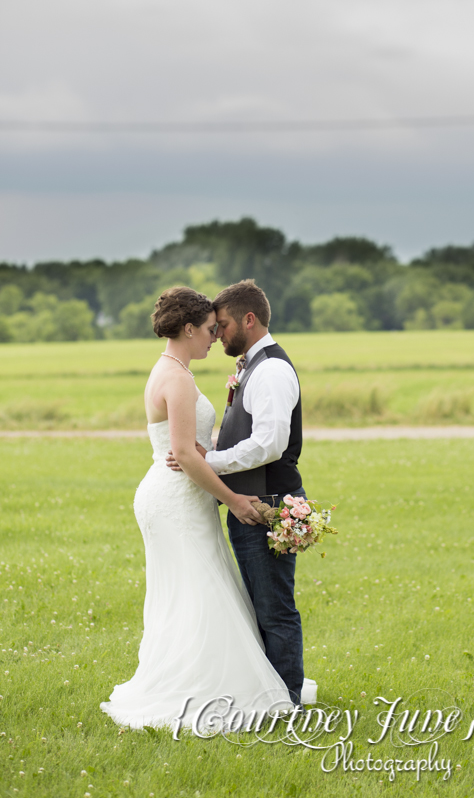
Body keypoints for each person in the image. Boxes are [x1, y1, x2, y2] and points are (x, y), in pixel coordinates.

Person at [100, 287, 291, 730]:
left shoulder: (171, 370)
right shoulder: (178, 378)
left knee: (191, 590)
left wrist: (214, 450)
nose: (214, 338)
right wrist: (235, 500)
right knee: (196, 591)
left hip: (173, 496)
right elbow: (185, 456)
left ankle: (203, 680)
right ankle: (197, 690)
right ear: (188, 329)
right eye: (209, 330)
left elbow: (192, 447)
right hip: (176, 501)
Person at [165, 279, 316, 706]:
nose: (218, 334)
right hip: (253, 502)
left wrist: (209, 461)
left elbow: (269, 443)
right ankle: (271, 694)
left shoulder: (270, 370)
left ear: (249, 320)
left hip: (265, 505)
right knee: (259, 606)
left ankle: (286, 701)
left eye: (224, 325)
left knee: (274, 609)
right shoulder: (253, 366)